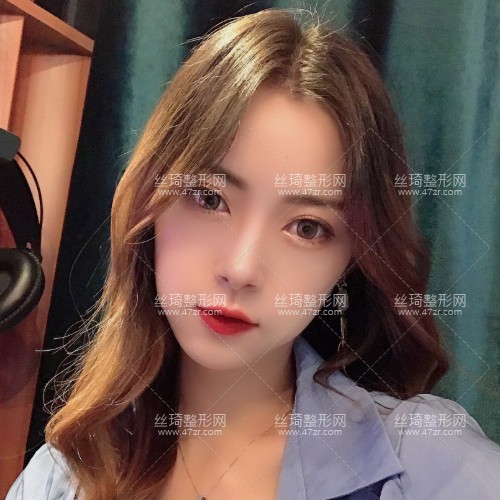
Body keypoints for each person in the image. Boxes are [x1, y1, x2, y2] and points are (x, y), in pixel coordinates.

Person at [6, 7, 500, 500]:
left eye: (307, 227)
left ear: (352, 260)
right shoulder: (60, 478)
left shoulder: (426, 464)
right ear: (149, 202)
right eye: (208, 198)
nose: (241, 269)